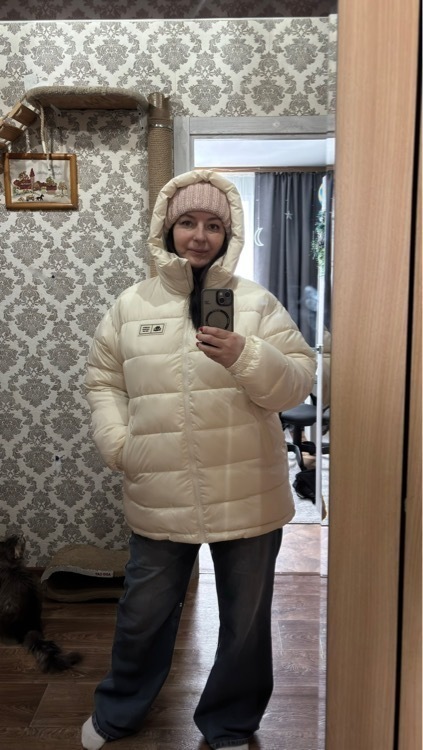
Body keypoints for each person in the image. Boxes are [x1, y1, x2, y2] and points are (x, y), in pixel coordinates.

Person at [81, 169, 316, 750]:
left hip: (248, 488)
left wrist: (246, 354)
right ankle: (118, 713)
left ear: (228, 235)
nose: (200, 235)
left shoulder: (256, 303)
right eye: (188, 222)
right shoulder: (131, 304)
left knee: (245, 620)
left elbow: (299, 382)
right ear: (167, 229)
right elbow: (104, 379)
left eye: (214, 225)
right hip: (158, 487)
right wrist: (119, 444)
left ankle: (230, 723)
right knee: (143, 613)